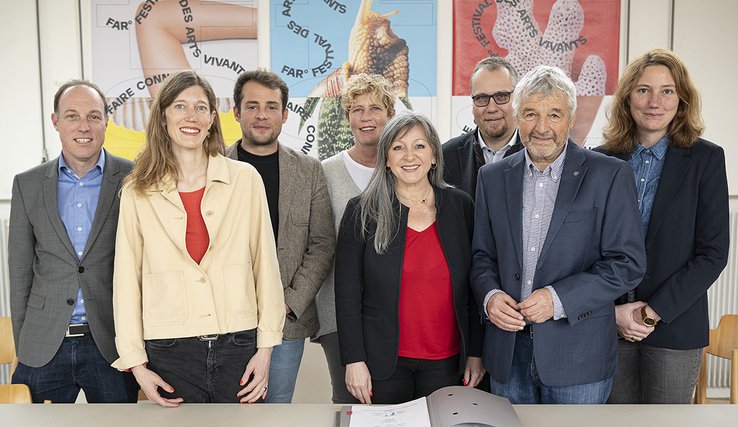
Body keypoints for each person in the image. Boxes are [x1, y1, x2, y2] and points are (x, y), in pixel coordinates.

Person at [470, 65, 646, 404]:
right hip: (509, 352)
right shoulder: (491, 178)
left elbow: (628, 263)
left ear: (571, 118)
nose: (542, 128)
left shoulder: (608, 175)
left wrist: (557, 298)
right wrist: (490, 296)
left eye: (554, 114)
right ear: (518, 116)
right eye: (531, 114)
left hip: (579, 356)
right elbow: (481, 256)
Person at [112, 70, 285, 407]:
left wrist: (265, 351)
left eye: (201, 108)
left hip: (239, 345)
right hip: (169, 350)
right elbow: (126, 281)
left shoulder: (245, 180)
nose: (191, 116)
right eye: (180, 106)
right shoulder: (137, 190)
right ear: (163, 118)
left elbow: (266, 267)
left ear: (211, 120)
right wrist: (135, 364)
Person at [595, 49, 729, 404]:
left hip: (674, 325)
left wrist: (651, 315)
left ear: (681, 99)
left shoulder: (706, 159)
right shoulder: (601, 159)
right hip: (610, 325)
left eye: (667, 91)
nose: (655, 101)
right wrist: (613, 313)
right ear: (627, 99)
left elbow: (712, 254)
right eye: (643, 90)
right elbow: (586, 247)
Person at [335, 112, 484, 405]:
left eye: (419, 146)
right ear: (386, 158)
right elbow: (347, 293)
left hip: (447, 361)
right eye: (398, 147)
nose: (409, 156)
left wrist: (476, 353)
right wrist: (354, 360)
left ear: (434, 156)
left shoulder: (461, 206)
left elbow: (473, 288)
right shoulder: (362, 211)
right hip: (382, 363)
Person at [9, 80, 138, 403]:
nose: (84, 126)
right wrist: (25, 346)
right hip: (45, 343)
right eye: (72, 116)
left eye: (94, 116)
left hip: (111, 342)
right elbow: (21, 271)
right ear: (55, 122)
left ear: (106, 121)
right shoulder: (28, 184)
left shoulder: (133, 178)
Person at [226, 69, 335, 403]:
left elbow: (322, 243)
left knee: (276, 410)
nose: (262, 115)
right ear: (236, 112)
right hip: (226, 319)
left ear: (285, 114)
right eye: (253, 105)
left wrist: (289, 303)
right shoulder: (213, 166)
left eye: (272, 106)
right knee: (227, 413)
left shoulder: (308, 170)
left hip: (286, 321)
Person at [313, 73, 397, 404]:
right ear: (347, 117)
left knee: (393, 403)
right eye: (357, 109)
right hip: (338, 312)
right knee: (350, 402)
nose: (366, 117)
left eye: (375, 107)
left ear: (390, 115)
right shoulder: (326, 172)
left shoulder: (405, 169)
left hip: (394, 313)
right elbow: (319, 243)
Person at [443, 56, 522, 198]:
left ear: (517, 98)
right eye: (481, 98)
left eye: (502, 96)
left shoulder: (537, 155)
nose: (491, 108)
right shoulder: (445, 158)